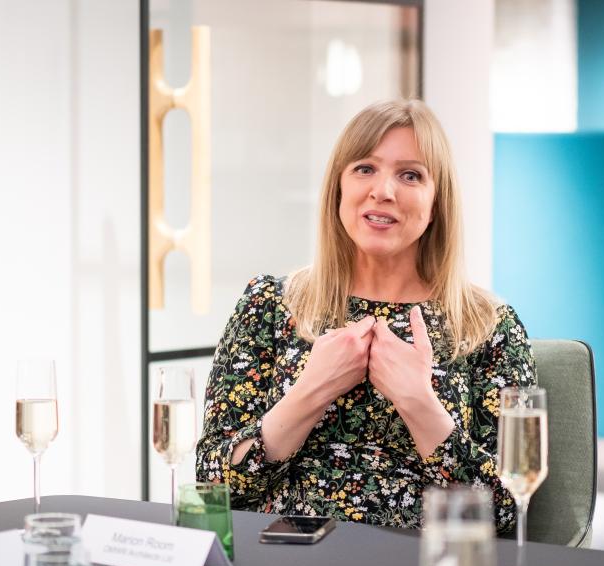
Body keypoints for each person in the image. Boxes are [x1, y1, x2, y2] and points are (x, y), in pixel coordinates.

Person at [195, 99, 536, 532]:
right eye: (365, 169)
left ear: (437, 200)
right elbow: (212, 483)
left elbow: (510, 511)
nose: (384, 191)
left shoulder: (489, 325)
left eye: (410, 175)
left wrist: (419, 402)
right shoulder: (268, 302)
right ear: (339, 186)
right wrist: (311, 391)